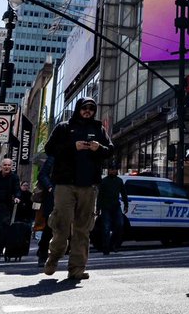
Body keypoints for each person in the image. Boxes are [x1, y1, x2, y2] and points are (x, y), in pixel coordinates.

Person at [43, 97, 113, 281]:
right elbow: (49, 149)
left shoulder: (98, 129)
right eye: (84, 108)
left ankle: (77, 269)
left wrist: (100, 148)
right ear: (78, 109)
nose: (88, 111)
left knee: (83, 229)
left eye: (91, 108)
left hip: (88, 186)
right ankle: (53, 258)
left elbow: (111, 150)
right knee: (62, 225)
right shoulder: (64, 127)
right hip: (65, 184)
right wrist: (72, 147)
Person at [96, 166, 129, 255]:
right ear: (108, 171)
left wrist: (126, 204)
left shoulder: (119, 181)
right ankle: (106, 248)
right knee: (106, 228)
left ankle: (113, 244)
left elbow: (123, 193)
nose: (113, 171)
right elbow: (100, 196)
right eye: (111, 169)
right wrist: (98, 208)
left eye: (114, 169)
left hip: (116, 206)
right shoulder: (104, 181)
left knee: (120, 224)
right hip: (105, 207)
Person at [35, 158, 55, 267]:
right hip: (52, 197)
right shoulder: (54, 157)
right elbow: (42, 175)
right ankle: (43, 252)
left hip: (68, 195)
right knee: (49, 226)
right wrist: (50, 187)